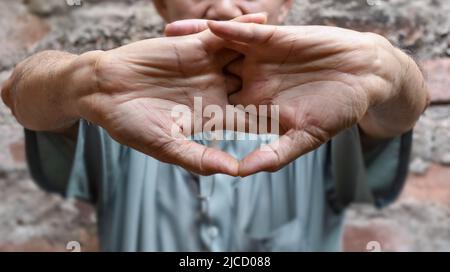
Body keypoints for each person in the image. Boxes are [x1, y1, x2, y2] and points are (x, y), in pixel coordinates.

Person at [0, 0, 429, 251]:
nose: (224, 6)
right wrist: (83, 81)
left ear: (286, 3)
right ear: (161, 4)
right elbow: (21, 94)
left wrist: (384, 70)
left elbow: (399, 112)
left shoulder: (334, 110)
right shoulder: (111, 109)